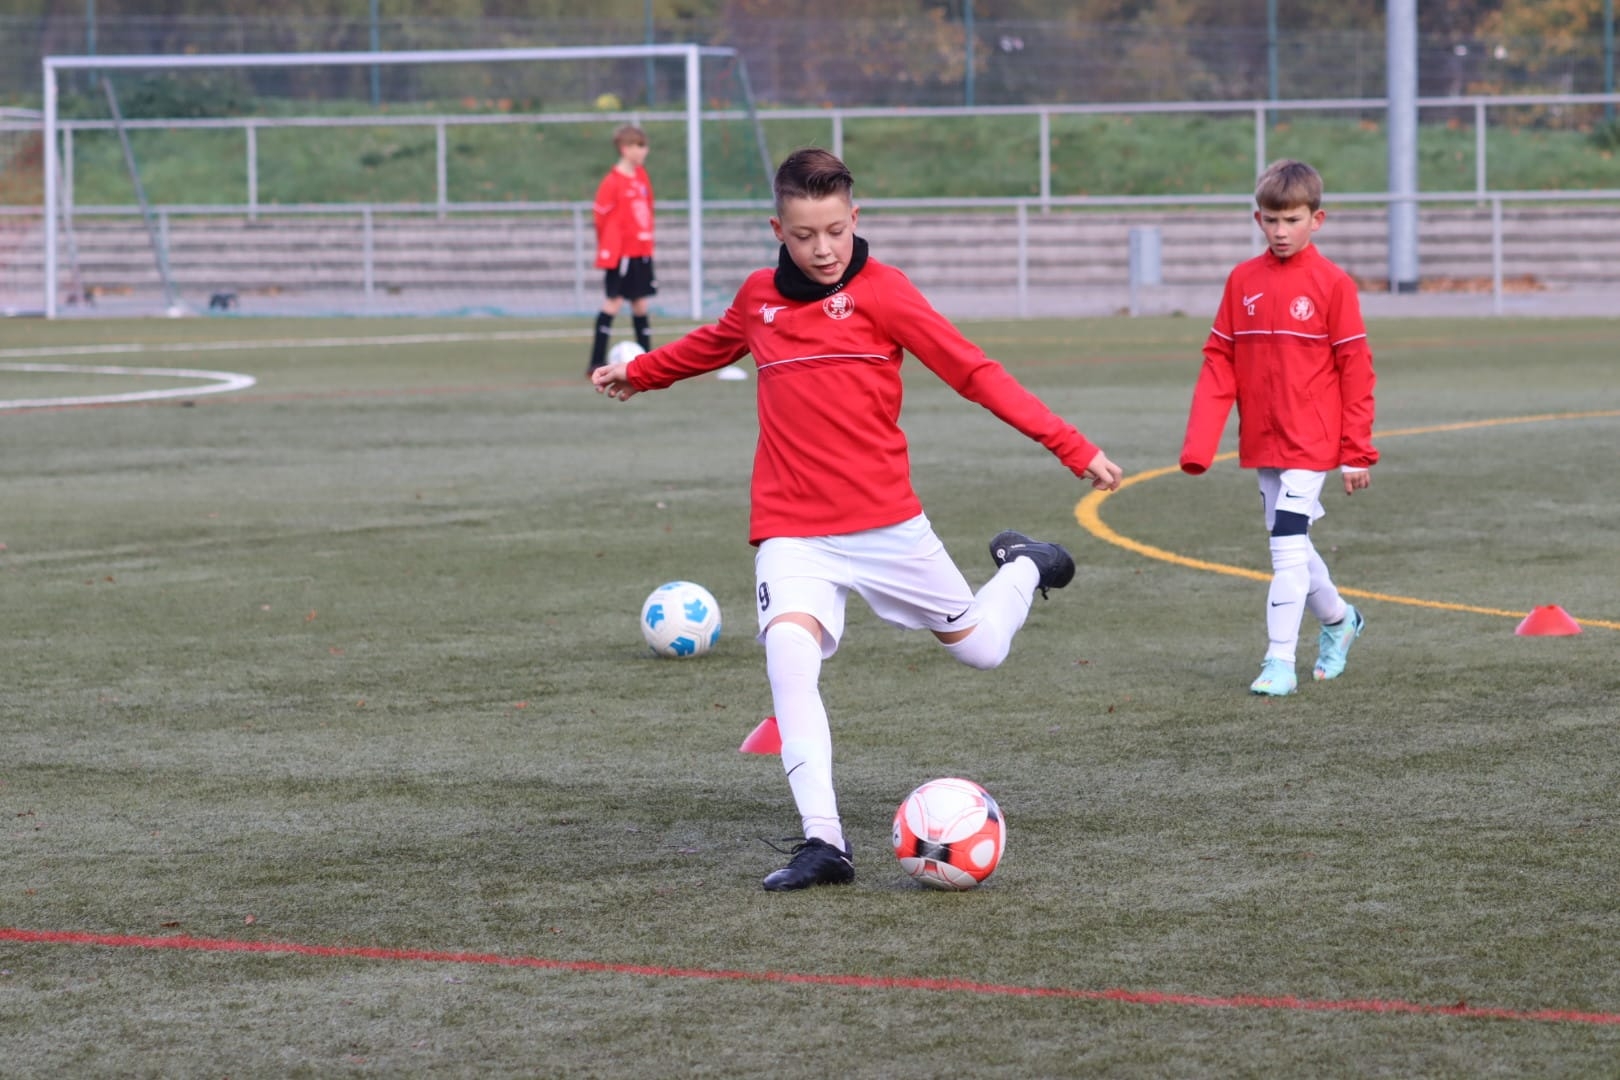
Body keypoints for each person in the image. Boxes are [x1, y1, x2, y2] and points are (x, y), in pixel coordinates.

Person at [593, 147, 1123, 891]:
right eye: (805, 235)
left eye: (836, 231)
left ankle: (1027, 565)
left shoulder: (885, 293)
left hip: (886, 526)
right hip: (792, 528)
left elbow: (975, 373)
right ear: (778, 230)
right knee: (789, 656)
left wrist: (1071, 445)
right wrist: (638, 372)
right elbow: (710, 345)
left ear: (855, 217)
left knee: (981, 649)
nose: (823, 249)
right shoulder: (759, 299)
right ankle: (825, 843)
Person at [1179, 159, 1378, 697]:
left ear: (1317, 219)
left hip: (1313, 441)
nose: (1281, 231)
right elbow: (1220, 358)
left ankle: (1279, 661)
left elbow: (1356, 371)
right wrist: (1200, 442)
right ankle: (1340, 621)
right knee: (1293, 542)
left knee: (1286, 549)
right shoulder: (1242, 279)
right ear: (1258, 219)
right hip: (1263, 440)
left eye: (1292, 220)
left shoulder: (1333, 284)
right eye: (1271, 220)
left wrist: (1356, 451)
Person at [586, 124, 657, 377]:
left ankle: (649, 361)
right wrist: (610, 249)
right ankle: (595, 362)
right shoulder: (612, 182)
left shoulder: (641, 176)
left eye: (644, 146)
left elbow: (648, 209)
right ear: (625, 149)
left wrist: (646, 241)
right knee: (613, 302)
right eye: (639, 146)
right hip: (622, 255)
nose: (644, 151)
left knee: (640, 304)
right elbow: (601, 219)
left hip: (641, 251)